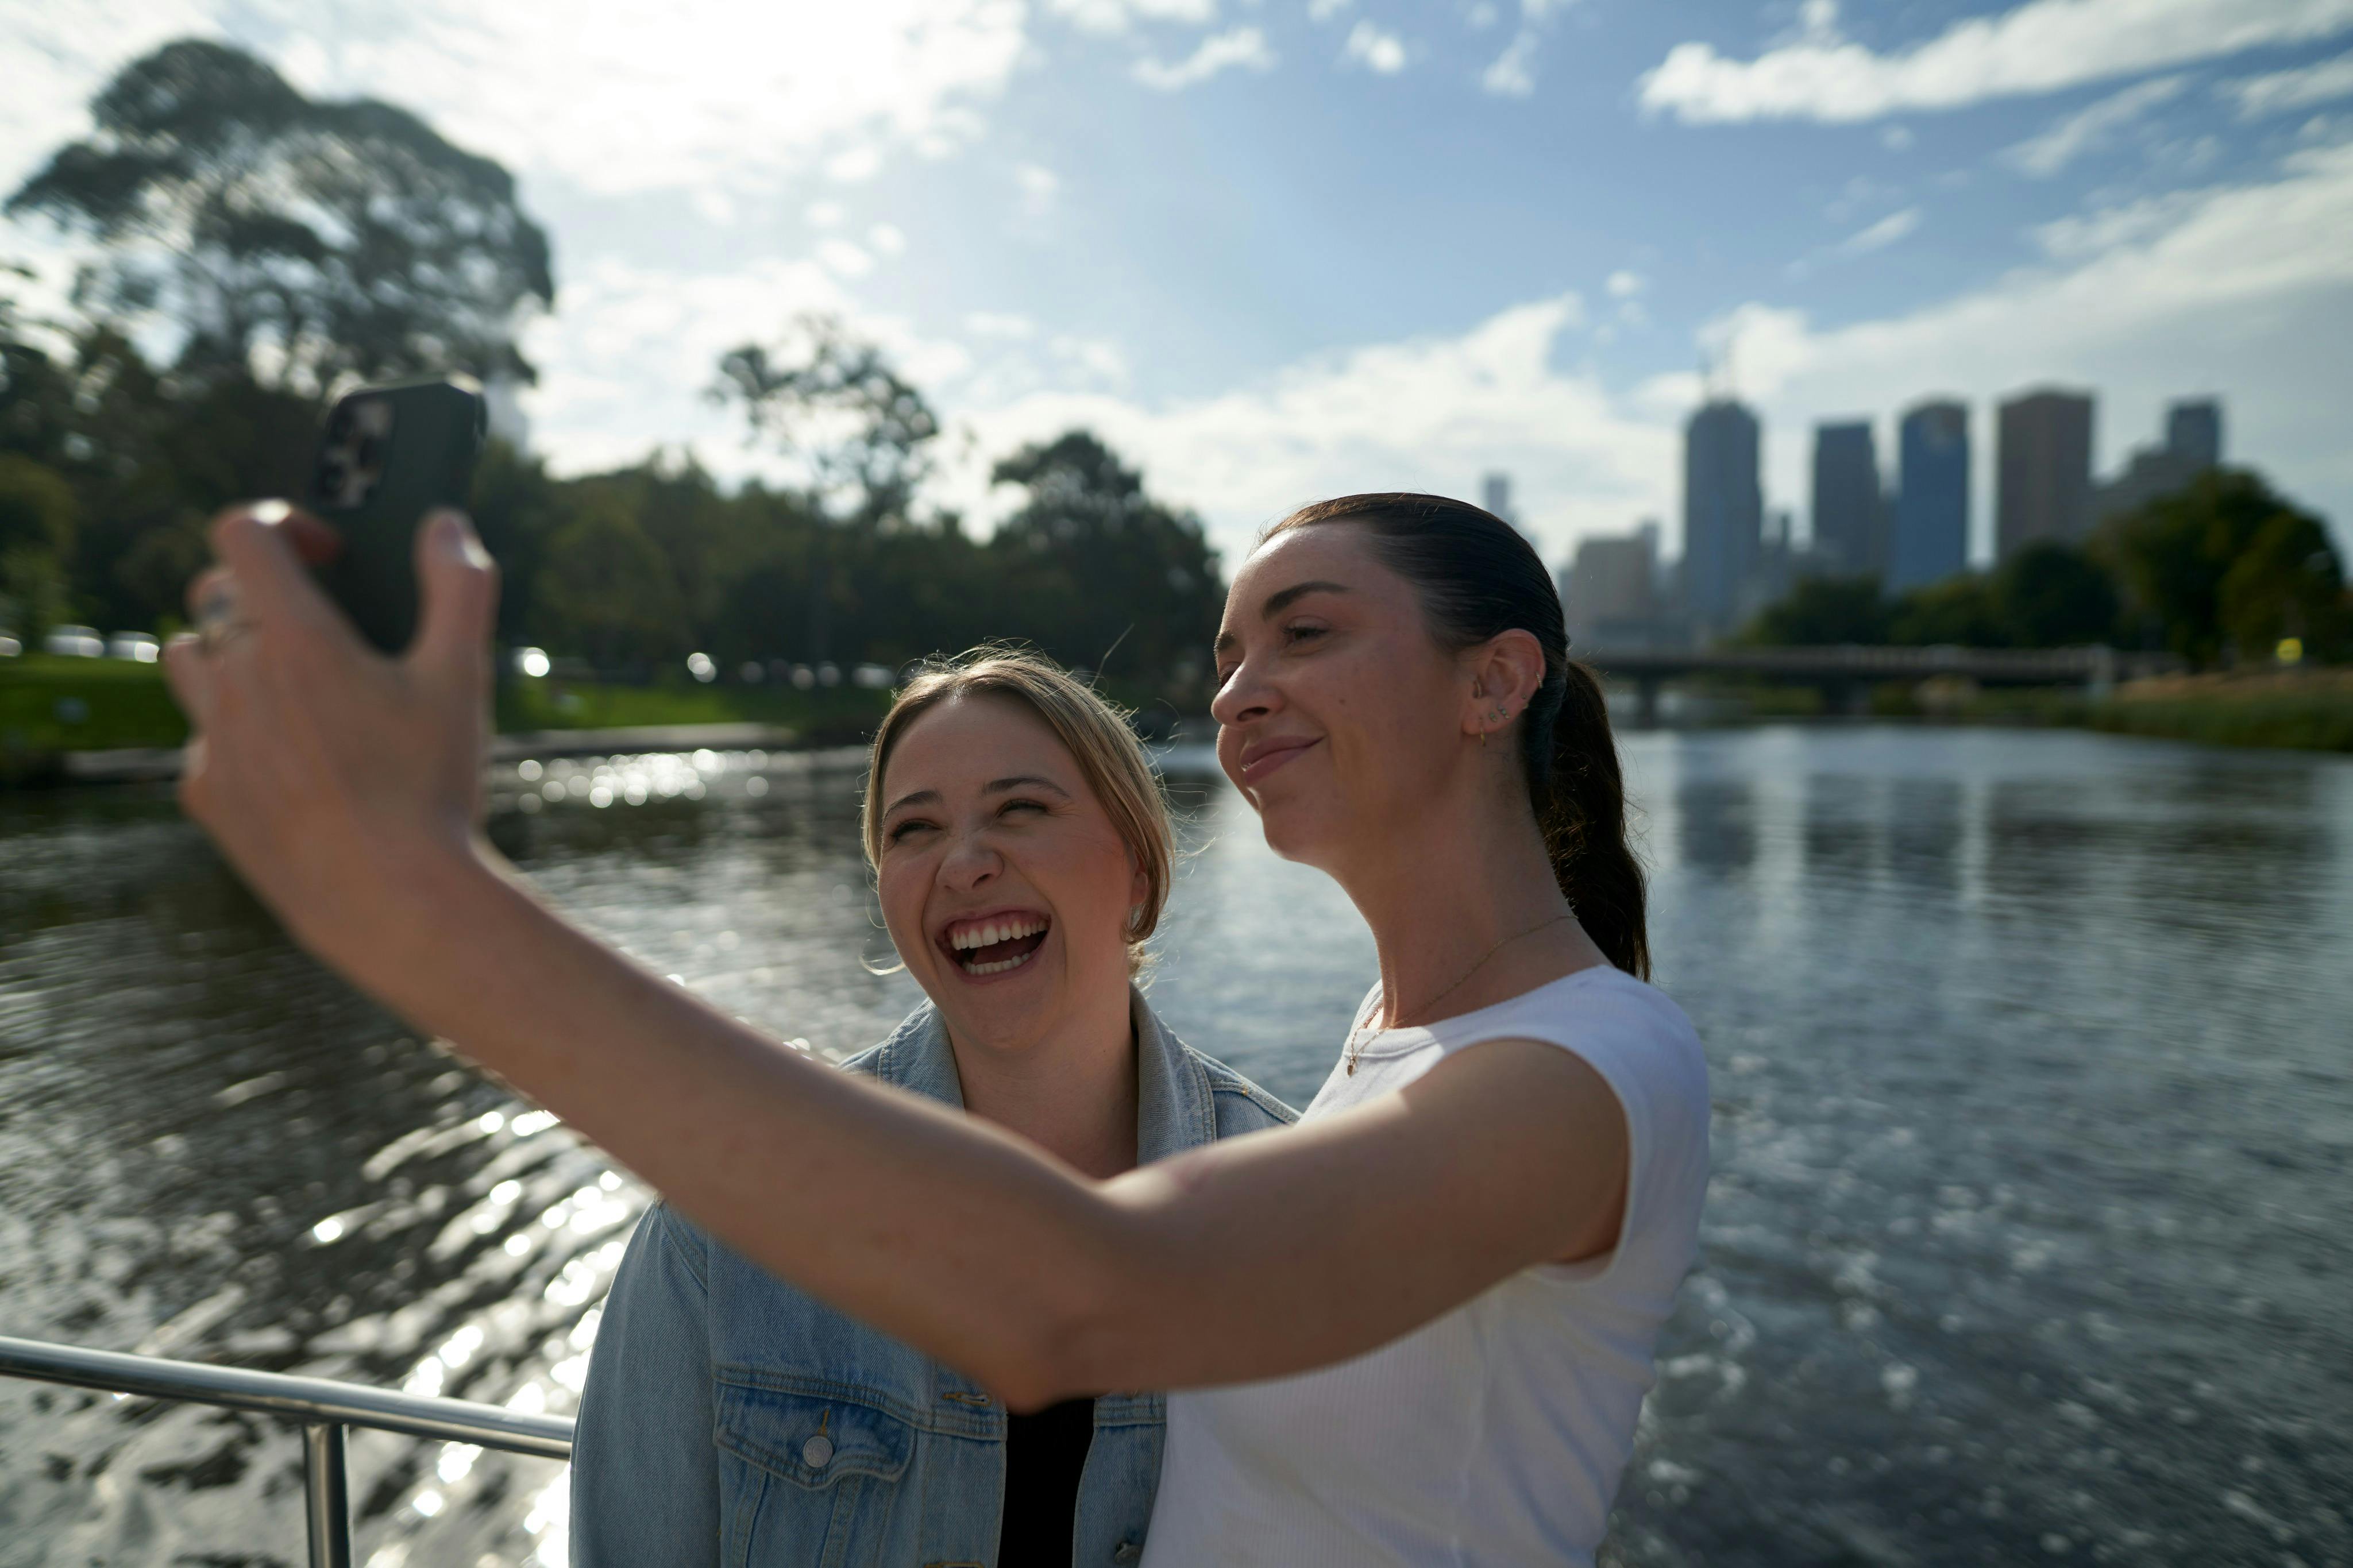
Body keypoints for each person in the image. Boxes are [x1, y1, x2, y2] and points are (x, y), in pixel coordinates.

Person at [166, 491, 1708, 1566]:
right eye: (1230, 652)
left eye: (1303, 634)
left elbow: (1083, 1294)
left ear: (1497, 678)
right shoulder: (1392, 1043)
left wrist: (425, 909)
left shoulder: (1585, 1072)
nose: (1239, 691)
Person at [568, 651, 1295, 1566]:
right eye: (914, 829)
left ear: (1140, 869)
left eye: (1020, 809)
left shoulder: (1289, 1207)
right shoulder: (724, 1235)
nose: (964, 864)